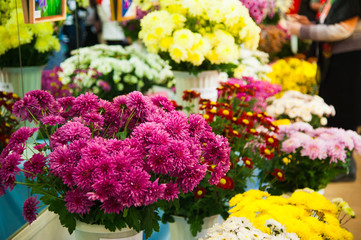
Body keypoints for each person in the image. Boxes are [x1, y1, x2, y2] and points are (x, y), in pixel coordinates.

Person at [286, 0, 361, 181]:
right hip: (339, 62)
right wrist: (310, 25)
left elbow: (342, 30)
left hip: (349, 63)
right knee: (337, 113)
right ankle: (341, 164)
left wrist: (302, 31)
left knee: (344, 114)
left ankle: (345, 167)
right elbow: (333, 24)